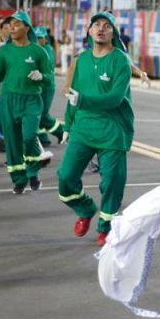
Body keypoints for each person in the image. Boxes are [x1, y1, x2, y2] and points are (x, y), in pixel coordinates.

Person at [57, 13, 135, 246]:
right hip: (83, 127)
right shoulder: (81, 61)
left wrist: (83, 101)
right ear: (89, 31)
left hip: (112, 129)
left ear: (114, 33)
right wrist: (68, 125)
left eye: (107, 26)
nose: (101, 29)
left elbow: (114, 98)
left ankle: (106, 226)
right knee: (65, 177)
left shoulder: (120, 60)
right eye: (96, 25)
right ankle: (85, 208)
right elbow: (74, 96)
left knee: (112, 180)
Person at [0, 11, 53, 194]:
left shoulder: (38, 51)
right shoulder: (5, 50)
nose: (12, 27)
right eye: (10, 25)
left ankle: (33, 172)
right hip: (8, 99)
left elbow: (50, 79)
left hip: (31, 99)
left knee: (29, 136)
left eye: (17, 24)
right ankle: (18, 179)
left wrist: (42, 76)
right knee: (12, 140)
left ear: (27, 27)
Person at [34, 26, 64, 147]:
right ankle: (43, 138)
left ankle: (62, 131)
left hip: (46, 87)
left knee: (42, 114)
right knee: (37, 113)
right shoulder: (37, 49)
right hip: (38, 86)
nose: (37, 40)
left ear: (45, 39)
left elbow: (46, 68)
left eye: (40, 38)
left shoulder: (47, 50)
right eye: (35, 38)